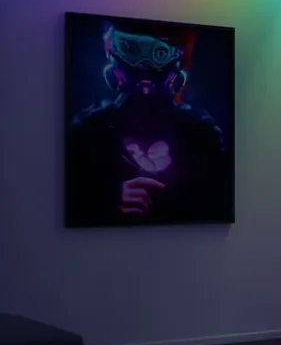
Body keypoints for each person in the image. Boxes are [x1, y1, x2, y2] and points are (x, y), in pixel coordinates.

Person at [66, 21, 231, 226]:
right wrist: (107, 198)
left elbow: (219, 203)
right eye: (131, 49)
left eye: (158, 53)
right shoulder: (89, 129)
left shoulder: (201, 132)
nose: (144, 67)